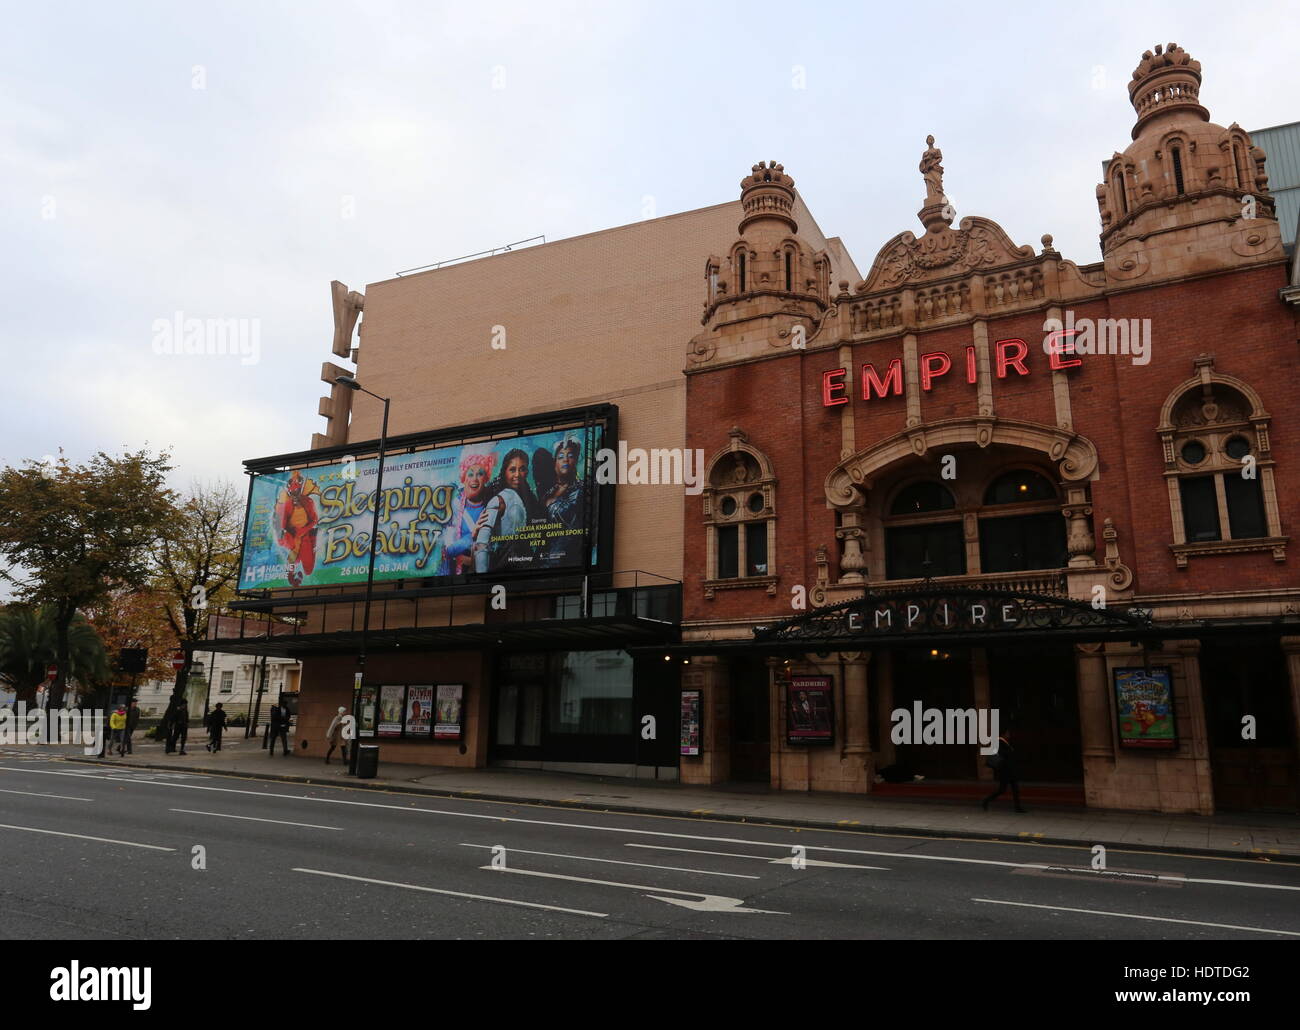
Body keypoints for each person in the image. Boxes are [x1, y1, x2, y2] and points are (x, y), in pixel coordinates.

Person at [981, 729, 1027, 813]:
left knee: (1014, 788)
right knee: (1002, 790)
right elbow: (1002, 753)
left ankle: (1018, 807)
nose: (1009, 734)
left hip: (1009, 770)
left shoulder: (1005, 742)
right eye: (1007, 733)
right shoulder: (999, 741)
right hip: (1005, 771)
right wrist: (1010, 752)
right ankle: (986, 801)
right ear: (1004, 734)